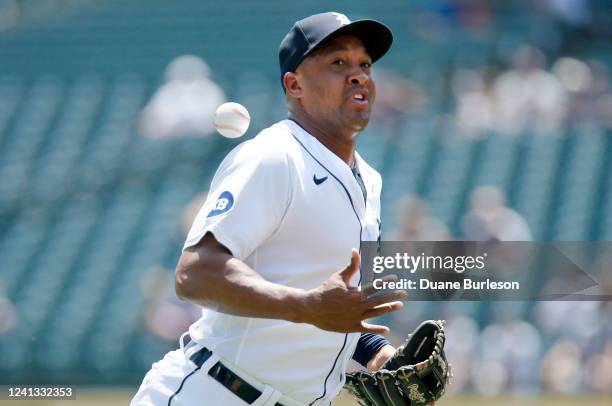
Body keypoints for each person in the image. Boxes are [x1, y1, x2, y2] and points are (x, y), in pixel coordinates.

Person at [131, 12, 407, 406]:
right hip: (216, 393)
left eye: (364, 64)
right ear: (294, 85)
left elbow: (323, 301)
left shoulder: (370, 181)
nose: (359, 75)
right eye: (337, 62)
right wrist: (306, 308)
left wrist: (374, 352)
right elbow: (195, 272)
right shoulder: (275, 156)